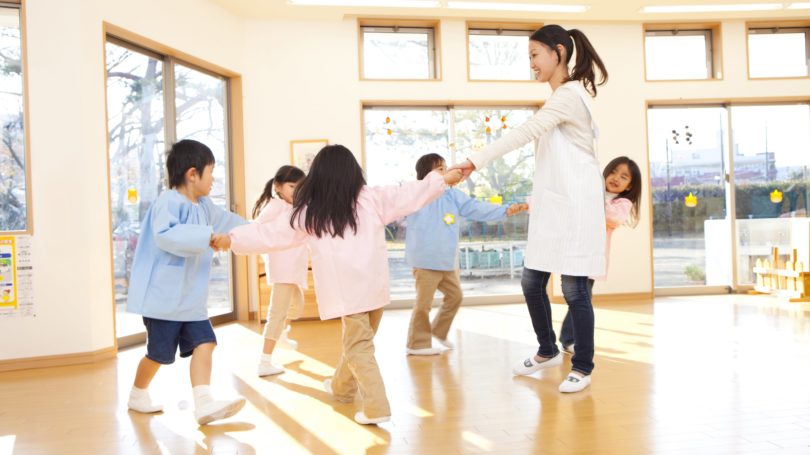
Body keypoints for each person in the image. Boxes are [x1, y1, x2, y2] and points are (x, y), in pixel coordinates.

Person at [223, 145, 463, 424]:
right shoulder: (371, 199)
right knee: (359, 342)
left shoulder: (311, 211)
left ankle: (376, 407)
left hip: (348, 293)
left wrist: (232, 239)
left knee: (358, 346)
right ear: (353, 172)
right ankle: (341, 387)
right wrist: (442, 179)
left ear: (318, 177)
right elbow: (409, 193)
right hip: (374, 288)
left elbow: (271, 234)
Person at [450, 24, 609, 393]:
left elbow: (524, 132)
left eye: (535, 55)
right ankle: (547, 349)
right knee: (531, 280)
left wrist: (474, 161)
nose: (532, 64)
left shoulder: (569, 96)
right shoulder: (560, 99)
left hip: (578, 208)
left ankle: (583, 366)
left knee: (574, 290)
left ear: (559, 52)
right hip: (556, 207)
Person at [126, 139, 248, 424]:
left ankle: (204, 402)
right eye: (211, 172)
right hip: (164, 301)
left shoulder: (205, 206)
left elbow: (228, 221)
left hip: (191, 300)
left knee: (206, 343)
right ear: (193, 174)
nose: (213, 179)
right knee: (158, 354)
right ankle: (137, 393)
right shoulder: (168, 202)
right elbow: (166, 235)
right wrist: (207, 237)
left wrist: (260, 232)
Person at [405, 153, 527, 356]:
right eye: (440, 170)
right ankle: (416, 343)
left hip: (446, 260)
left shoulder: (452, 195)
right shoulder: (417, 193)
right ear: (427, 175)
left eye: (446, 168)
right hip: (425, 261)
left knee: (455, 296)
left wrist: (506, 211)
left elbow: (477, 208)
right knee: (423, 304)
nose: (447, 172)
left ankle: (438, 330)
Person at [559, 156, 642, 354]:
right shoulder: (588, 192)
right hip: (574, 254)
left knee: (582, 300)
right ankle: (568, 338)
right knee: (577, 300)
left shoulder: (621, 203)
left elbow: (613, 218)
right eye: (613, 172)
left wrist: (594, 197)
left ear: (629, 186)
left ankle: (569, 339)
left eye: (623, 177)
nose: (616, 178)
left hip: (593, 259)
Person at [251, 165, 308, 376]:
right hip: (283, 268)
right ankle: (265, 361)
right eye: (292, 186)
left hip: (293, 269)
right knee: (277, 313)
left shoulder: (296, 207)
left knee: (297, 307)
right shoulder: (275, 206)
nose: (296, 190)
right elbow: (257, 229)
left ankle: (281, 335)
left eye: (300, 187)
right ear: (278, 186)